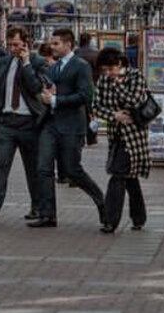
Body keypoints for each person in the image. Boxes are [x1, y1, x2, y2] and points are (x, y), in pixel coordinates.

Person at [28, 28, 106, 229]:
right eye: (52, 44)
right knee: (43, 169)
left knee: (73, 170)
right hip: (50, 124)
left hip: (71, 125)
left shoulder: (80, 66)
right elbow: (46, 90)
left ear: (68, 44)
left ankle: (103, 202)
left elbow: (85, 96)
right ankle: (47, 215)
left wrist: (55, 99)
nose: (52, 47)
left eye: (56, 44)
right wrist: (46, 95)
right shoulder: (52, 68)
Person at [0, 27, 45, 222]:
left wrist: (26, 64)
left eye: (16, 44)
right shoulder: (3, 63)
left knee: (32, 168)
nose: (12, 48)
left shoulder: (38, 63)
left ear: (26, 43)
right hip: (6, 123)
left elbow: (36, 87)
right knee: (1, 164)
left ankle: (37, 207)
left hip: (28, 123)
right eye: (9, 45)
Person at [92, 47, 151, 234]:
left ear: (119, 64)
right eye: (104, 70)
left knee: (117, 174)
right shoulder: (103, 80)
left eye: (110, 69)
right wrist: (114, 115)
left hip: (133, 135)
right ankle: (139, 217)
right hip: (115, 133)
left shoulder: (136, 77)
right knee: (130, 177)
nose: (107, 74)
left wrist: (117, 83)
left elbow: (135, 101)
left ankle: (110, 220)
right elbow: (96, 105)